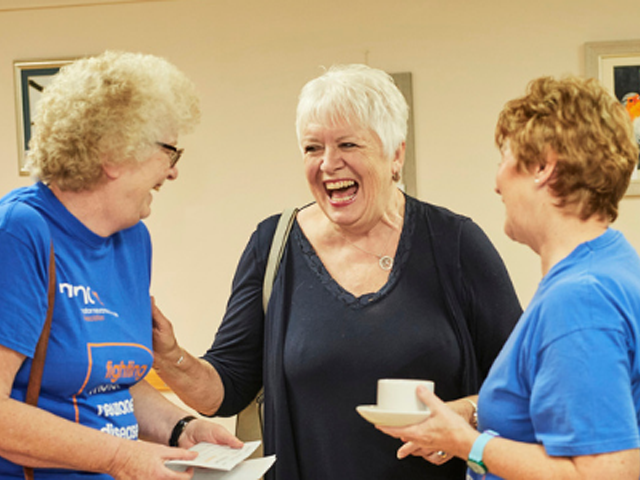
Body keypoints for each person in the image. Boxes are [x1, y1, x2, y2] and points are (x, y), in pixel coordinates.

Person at [152, 64, 522, 480]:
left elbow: (521, 385)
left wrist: (465, 415)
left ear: (395, 153)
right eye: (313, 148)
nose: (329, 164)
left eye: (348, 144)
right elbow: (226, 387)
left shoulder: (455, 243)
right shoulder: (273, 244)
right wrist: (169, 357)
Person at [378, 76, 640, 480]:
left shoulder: (580, 299)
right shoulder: (610, 264)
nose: (496, 181)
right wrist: (468, 419)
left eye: (505, 157)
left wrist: (466, 445)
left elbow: (604, 475)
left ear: (543, 167)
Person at [0, 51, 242, 480]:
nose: (172, 172)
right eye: (169, 150)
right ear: (113, 154)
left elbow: (112, 382)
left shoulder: (133, 240)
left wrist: (182, 428)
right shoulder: (20, 232)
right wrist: (122, 458)